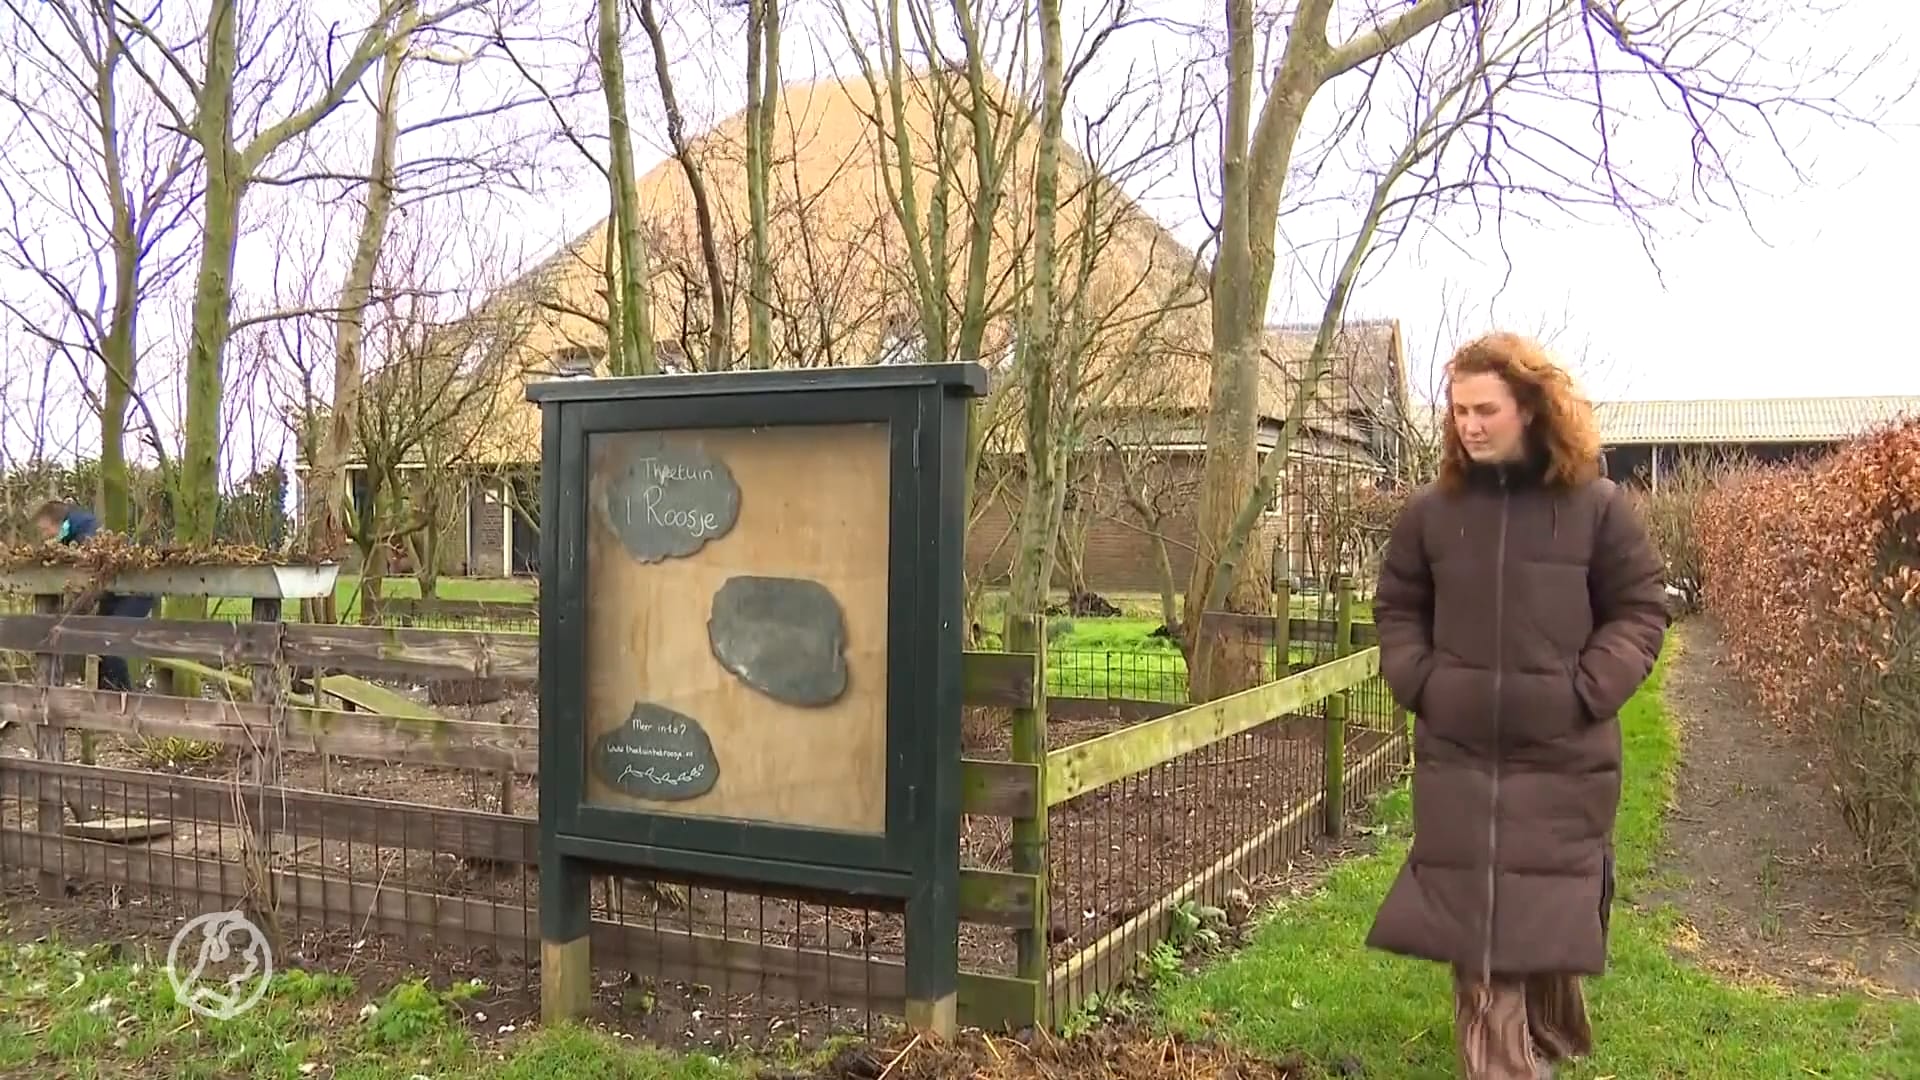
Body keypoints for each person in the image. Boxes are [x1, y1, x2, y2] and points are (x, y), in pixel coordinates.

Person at [1363, 333, 1668, 1079]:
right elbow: (1397, 608)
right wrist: (1424, 683)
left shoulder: (1597, 509)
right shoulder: (1430, 514)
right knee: (1482, 926)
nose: (1468, 425)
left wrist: (1586, 690)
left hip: (1564, 754)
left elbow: (1640, 609)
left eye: (1485, 410)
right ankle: (1505, 1063)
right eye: (1458, 410)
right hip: (1458, 754)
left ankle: (1545, 1031)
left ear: (1529, 409)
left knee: (1541, 905)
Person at [32, 499, 155, 692]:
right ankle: (106, 697)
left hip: (135, 593)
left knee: (110, 642)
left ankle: (121, 698)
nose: (44, 536)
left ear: (58, 524)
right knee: (100, 644)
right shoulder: (75, 532)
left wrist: (65, 621)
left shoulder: (84, 537)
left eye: (45, 530)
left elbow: (92, 587)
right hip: (116, 594)